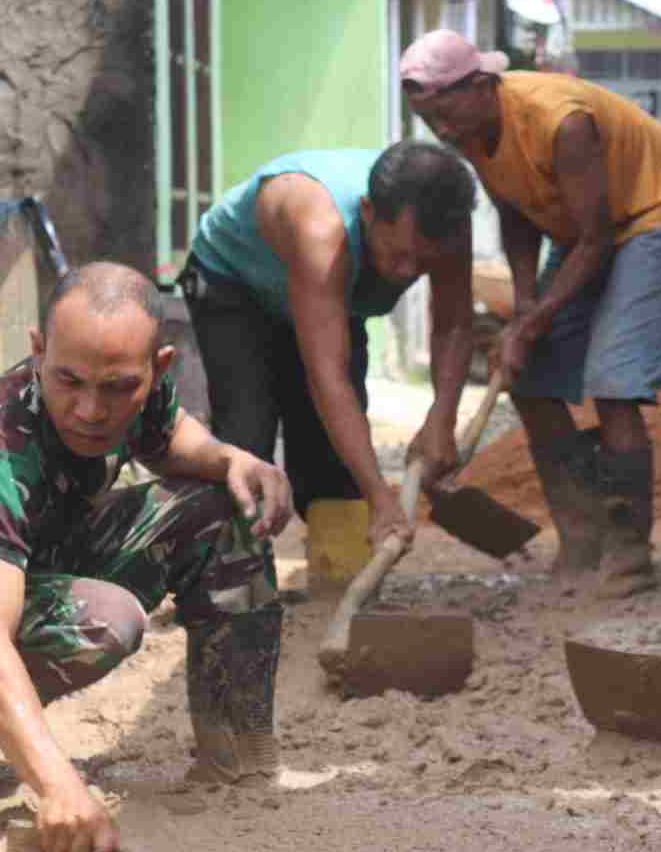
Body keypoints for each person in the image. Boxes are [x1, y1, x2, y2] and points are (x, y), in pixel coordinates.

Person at [0, 263, 293, 852]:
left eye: (119, 387)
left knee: (224, 505)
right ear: (38, 352)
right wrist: (59, 786)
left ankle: (237, 761)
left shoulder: (127, 389)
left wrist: (231, 458)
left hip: (24, 566)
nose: (92, 409)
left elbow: (172, 438)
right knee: (100, 619)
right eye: (69, 381)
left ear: (158, 369)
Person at [399, 29, 661, 598]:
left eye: (446, 114)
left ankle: (630, 555)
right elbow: (516, 212)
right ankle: (582, 539)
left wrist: (531, 322)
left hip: (648, 216)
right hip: (579, 228)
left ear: (484, 86)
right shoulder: (468, 130)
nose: (441, 131)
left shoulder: (560, 121)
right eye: (427, 119)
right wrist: (525, 307)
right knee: (530, 377)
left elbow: (597, 237)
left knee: (613, 382)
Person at [179, 142, 477, 554]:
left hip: (326, 292)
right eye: (400, 255)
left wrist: (442, 419)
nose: (407, 273)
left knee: (331, 460)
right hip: (234, 286)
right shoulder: (320, 226)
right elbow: (327, 376)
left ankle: (338, 578)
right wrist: (379, 496)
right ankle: (232, 581)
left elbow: (455, 322)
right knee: (248, 434)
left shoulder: (449, 225)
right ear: (368, 212)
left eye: (424, 262)